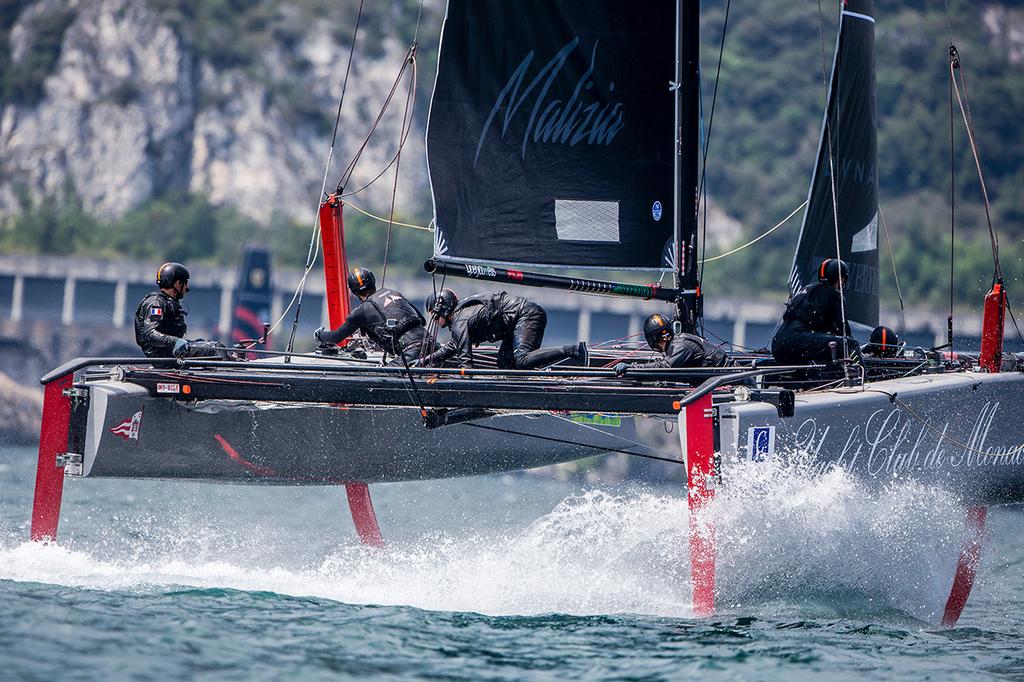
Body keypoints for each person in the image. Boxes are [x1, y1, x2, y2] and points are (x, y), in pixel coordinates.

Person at [421, 289, 587, 369]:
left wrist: (466, 380)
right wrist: (426, 360)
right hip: (515, 323)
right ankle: (529, 395)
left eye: (435, 316)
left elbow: (466, 361)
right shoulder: (460, 318)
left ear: (443, 308)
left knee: (521, 360)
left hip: (526, 315)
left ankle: (573, 350)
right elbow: (453, 346)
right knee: (504, 363)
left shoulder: (460, 320)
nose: (435, 321)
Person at [313, 267, 425, 365]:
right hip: (431, 345)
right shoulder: (393, 292)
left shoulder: (361, 311)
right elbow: (422, 321)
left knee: (382, 380)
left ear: (354, 291)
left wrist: (319, 335)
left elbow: (336, 337)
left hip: (411, 353)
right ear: (373, 281)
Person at [771, 258, 859, 364]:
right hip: (796, 342)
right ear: (840, 279)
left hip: (778, 345)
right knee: (850, 344)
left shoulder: (808, 289)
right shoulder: (833, 294)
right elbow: (844, 333)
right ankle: (865, 380)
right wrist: (858, 353)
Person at [135, 262, 227, 359]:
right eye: (185, 283)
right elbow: (150, 334)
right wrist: (176, 342)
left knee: (208, 344)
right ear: (178, 284)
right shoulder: (156, 304)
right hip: (164, 355)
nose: (186, 288)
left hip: (170, 352)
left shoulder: (165, 302)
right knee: (216, 349)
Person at [615, 313, 730, 374]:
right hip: (719, 379)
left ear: (652, 339)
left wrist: (633, 368)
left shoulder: (680, 345)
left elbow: (665, 367)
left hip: (730, 381)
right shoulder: (677, 342)